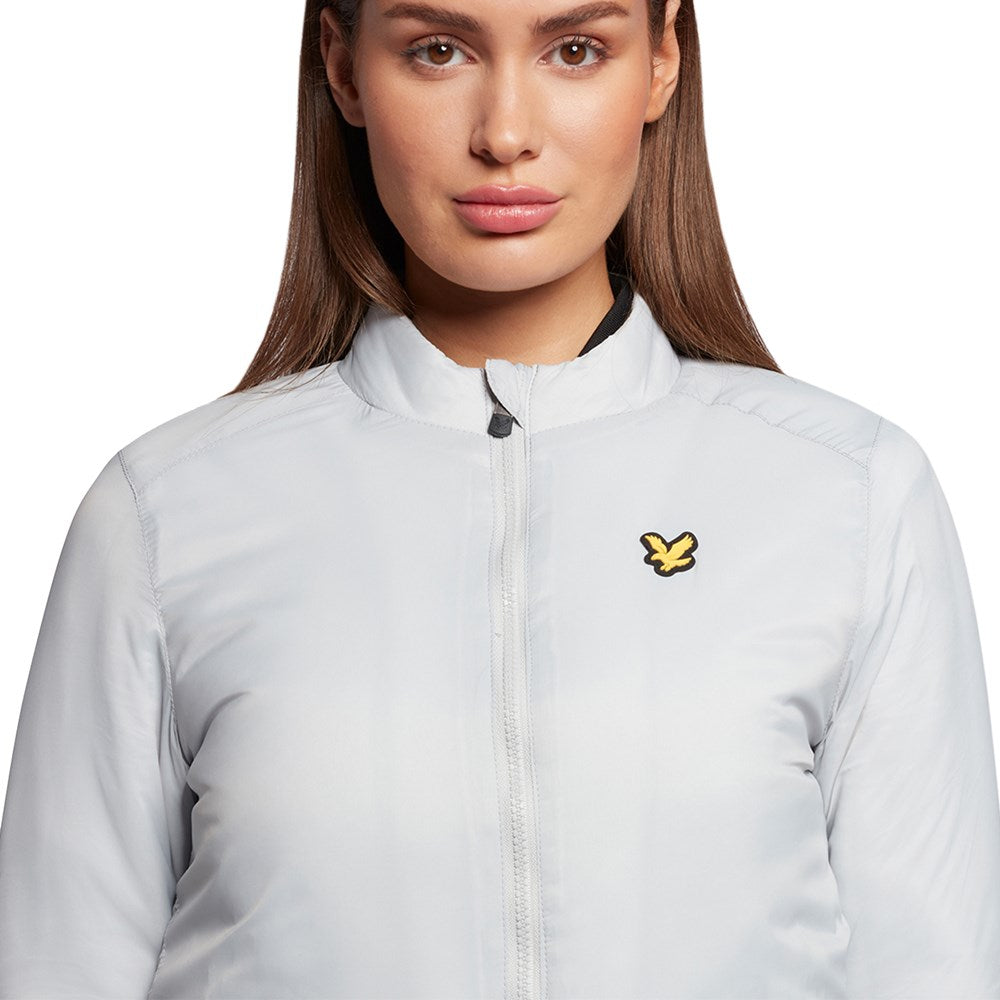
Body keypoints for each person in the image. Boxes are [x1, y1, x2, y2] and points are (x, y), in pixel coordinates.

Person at [1, 0, 999, 997]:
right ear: (343, 67)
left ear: (662, 60)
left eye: (576, 50)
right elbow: (60, 965)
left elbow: (933, 970)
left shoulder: (849, 492)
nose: (506, 133)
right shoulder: (165, 513)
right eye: (437, 51)